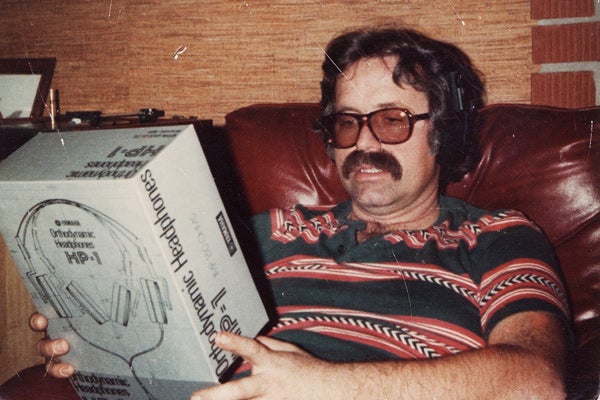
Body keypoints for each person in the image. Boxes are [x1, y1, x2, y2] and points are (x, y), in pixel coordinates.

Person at [31, 27, 571, 400]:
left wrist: (319, 384)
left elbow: (537, 382)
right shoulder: (262, 233)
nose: (364, 144)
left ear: (444, 133)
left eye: (391, 120)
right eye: (347, 123)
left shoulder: (496, 237)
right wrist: (97, 339)